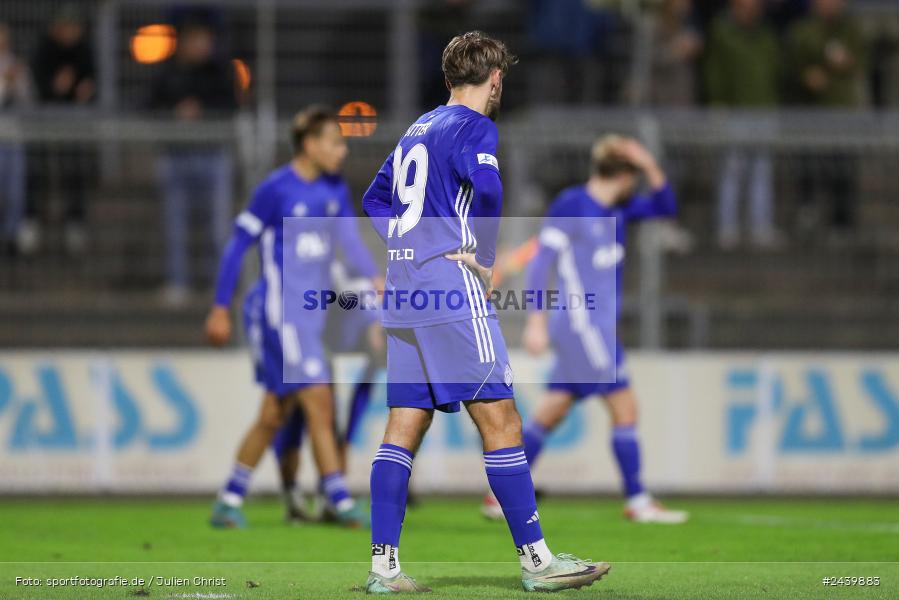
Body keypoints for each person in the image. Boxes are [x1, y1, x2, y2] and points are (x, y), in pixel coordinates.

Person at [361, 31, 610, 593]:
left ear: (449, 77)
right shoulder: (476, 127)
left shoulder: (416, 130)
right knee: (501, 420)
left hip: (404, 291)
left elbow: (374, 199)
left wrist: (402, 243)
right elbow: (491, 189)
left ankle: (383, 568)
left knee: (402, 426)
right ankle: (538, 561)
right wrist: (486, 257)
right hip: (450, 284)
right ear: (494, 78)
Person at [481, 135, 689, 525]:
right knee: (625, 407)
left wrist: (647, 162)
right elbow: (542, 262)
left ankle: (499, 495)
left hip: (595, 328)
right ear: (624, 176)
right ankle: (638, 500)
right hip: (581, 325)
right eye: (635, 173)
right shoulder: (572, 204)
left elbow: (667, 205)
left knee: (551, 412)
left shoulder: (621, 211)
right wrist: (536, 322)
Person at [204, 106, 378, 529]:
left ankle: (229, 499)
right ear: (310, 144)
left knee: (274, 413)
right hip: (281, 314)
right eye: (335, 142)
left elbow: (349, 240)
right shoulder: (275, 189)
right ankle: (338, 498)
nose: (343, 151)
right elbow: (236, 246)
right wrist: (220, 306)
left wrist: (373, 276)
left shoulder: (334, 190)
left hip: (310, 315)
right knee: (320, 397)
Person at [273, 260, 385, 523]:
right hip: (307, 348)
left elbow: (365, 387)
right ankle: (294, 495)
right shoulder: (347, 286)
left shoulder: (381, 331)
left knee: (330, 428)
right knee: (292, 418)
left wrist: (348, 435)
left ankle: (328, 498)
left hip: (329, 356)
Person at [149, 18, 238, 305]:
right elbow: (149, 106)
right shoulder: (168, 72)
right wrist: (176, 112)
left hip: (212, 155)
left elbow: (231, 106)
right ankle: (178, 282)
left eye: (205, 39)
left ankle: (219, 287)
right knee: (175, 225)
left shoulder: (221, 71)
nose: (200, 45)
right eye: (194, 39)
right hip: (177, 156)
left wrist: (203, 110)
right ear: (183, 42)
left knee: (217, 227)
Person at [704, 0, 782, 249]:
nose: (751, 8)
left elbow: (774, 71)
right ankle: (727, 228)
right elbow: (714, 71)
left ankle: (760, 227)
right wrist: (718, 102)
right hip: (734, 112)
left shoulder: (766, 35)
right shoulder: (722, 32)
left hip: (764, 111)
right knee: (732, 171)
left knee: (762, 173)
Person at [788, 0, 867, 237]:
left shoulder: (851, 29)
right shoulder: (803, 29)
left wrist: (846, 62)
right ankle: (808, 212)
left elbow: (862, 61)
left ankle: (842, 221)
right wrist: (808, 75)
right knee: (810, 164)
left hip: (842, 111)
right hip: (811, 111)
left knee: (843, 166)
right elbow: (794, 64)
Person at [28, 3, 96, 255]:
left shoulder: (83, 49)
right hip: (43, 121)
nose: (70, 32)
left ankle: (75, 224)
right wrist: (55, 87)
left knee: (76, 168)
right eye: (65, 26)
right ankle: (31, 220)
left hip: (75, 123)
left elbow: (91, 82)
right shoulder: (43, 49)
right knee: (36, 168)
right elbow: (38, 87)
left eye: (74, 26)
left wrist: (85, 90)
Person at [0, 22, 31, 256]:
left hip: (14, 137)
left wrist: (17, 81)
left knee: (15, 191)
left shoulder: (17, 64)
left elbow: (28, 100)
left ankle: (11, 238)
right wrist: (4, 83)